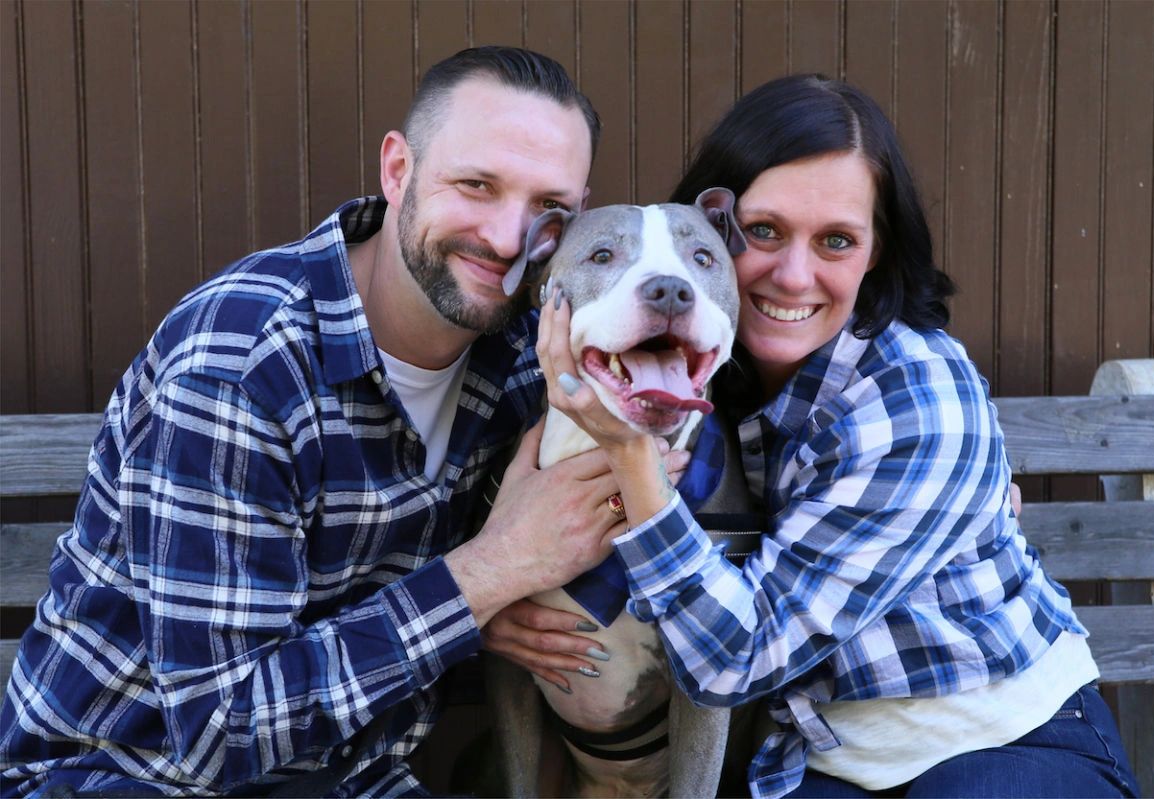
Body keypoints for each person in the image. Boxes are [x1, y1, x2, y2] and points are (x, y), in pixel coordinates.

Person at [0, 46, 685, 797]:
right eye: (475, 185)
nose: (505, 237)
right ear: (398, 171)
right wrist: (493, 572)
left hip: (353, 775)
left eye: (546, 208)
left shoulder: (529, 358)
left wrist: (483, 607)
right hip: (126, 777)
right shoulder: (242, 364)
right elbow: (217, 734)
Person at [513, 74, 1139, 797]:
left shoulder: (919, 395)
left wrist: (630, 452)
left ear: (876, 252)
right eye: (765, 233)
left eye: (836, 241)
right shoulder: (691, 363)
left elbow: (733, 660)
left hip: (997, 736)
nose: (791, 275)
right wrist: (500, 609)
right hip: (816, 758)